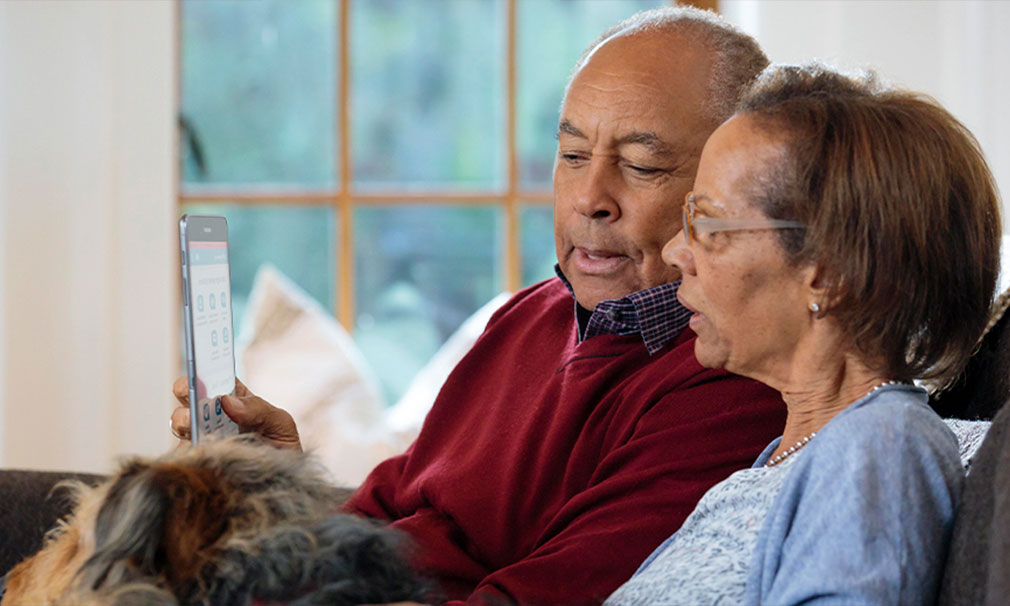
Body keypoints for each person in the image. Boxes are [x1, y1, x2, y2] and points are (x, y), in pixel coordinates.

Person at [171, 7, 787, 604]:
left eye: (641, 164)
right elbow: (394, 518)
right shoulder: (528, 314)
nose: (589, 199)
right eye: (573, 156)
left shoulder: (730, 382)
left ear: (726, 191)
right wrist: (286, 484)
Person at [605, 63, 1001, 605]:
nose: (676, 253)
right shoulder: (794, 454)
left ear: (829, 272)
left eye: (705, 223)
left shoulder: (880, 446)